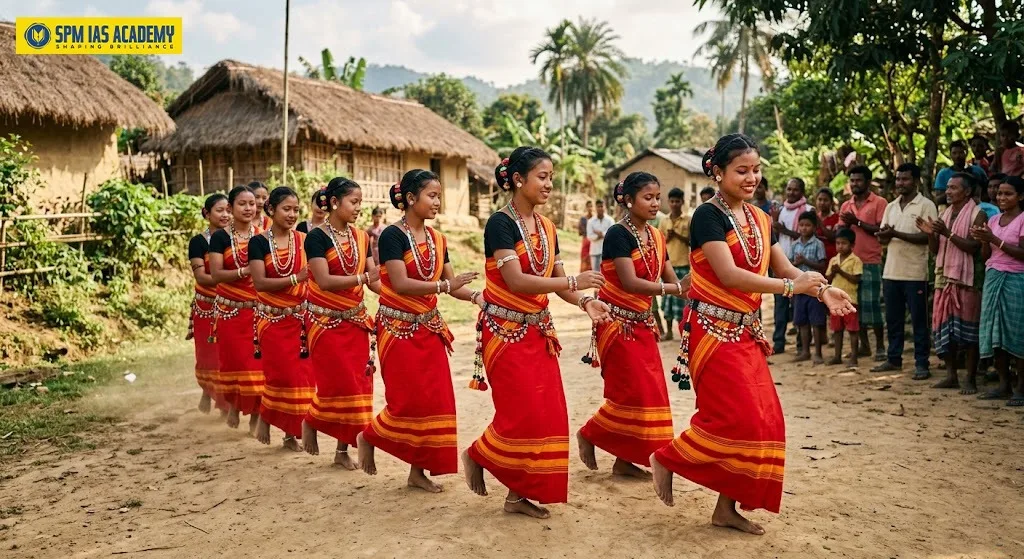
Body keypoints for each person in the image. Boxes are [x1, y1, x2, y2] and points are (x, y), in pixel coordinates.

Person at [649, 134, 854, 535]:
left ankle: (725, 509)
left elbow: (786, 268)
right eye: (742, 171)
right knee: (735, 417)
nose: (751, 178)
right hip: (711, 331)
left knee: (765, 420)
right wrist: (792, 289)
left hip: (745, 333)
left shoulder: (761, 217)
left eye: (756, 170)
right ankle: (668, 458)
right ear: (718, 172)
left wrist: (823, 288)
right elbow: (729, 274)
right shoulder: (707, 216)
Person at [463, 147, 610, 519]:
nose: (549, 184)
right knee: (521, 413)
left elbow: (557, 284)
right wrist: (573, 279)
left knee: (545, 413)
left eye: (550, 177)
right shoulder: (500, 223)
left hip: (538, 333)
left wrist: (583, 301)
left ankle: (516, 494)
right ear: (518, 180)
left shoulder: (546, 227)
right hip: (505, 333)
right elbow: (515, 280)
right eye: (542, 177)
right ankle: (480, 453)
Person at [356, 170, 480, 492]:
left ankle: (417, 473)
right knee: (407, 401)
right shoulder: (391, 236)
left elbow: (453, 286)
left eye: (439, 196)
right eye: (432, 196)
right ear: (411, 199)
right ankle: (369, 437)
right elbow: (398, 283)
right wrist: (443, 284)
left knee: (433, 401)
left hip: (429, 329)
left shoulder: (439, 239)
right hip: (397, 330)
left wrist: (479, 297)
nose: (438, 202)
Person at [577, 172, 682, 478]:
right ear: (628, 200)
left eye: (657, 197)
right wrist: (675, 290)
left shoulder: (656, 235)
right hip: (615, 323)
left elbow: (667, 272)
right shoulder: (617, 234)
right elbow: (629, 282)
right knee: (628, 392)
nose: (654, 203)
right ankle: (590, 433)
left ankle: (625, 461)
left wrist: (685, 291)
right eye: (648, 198)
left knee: (649, 393)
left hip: (643, 324)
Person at [301, 178, 380, 468]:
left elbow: (374, 280)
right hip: (325, 323)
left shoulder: (361, 236)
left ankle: (341, 450)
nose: (359, 208)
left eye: (360, 202)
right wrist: (362, 278)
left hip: (356, 321)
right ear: (334, 203)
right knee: (339, 385)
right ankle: (312, 420)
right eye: (354, 202)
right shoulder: (316, 237)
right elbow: (322, 279)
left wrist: (401, 296)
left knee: (359, 385)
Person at [248, 186, 314, 450]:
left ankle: (290, 433)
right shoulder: (259, 243)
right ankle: (268, 414)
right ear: (271, 209)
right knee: (281, 376)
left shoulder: (305, 239)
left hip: (301, 321)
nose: (292, 214)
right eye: (286, 209)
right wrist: (295, 278)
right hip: (272, 320)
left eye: (296, 210)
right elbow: (260, 283)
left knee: (303, 378)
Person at [916, 173, 986, 393]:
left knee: (969, 330)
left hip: (966, 279)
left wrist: (947, 232)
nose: (947, 191)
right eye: (947, 188)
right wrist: (931, 235)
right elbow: (936, 249)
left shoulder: (978, 213)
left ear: (967, 192)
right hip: (944, 277)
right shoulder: (945, 213)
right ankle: (951, 375)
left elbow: (974, 247)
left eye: (953, 188)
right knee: (944, 327)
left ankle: (971, 379)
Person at [872, 163, 938, 380]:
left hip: (915, 273)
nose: (901, 183)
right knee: (893, 319)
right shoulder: (891, 206)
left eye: (905, 179)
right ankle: (894, 359)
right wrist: (884, 235)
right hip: (891, 271)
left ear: (916, 181)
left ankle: (922, 363)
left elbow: (927, 238)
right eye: (898, 179)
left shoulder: (926, 205)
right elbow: (884, 235)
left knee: (919, 320)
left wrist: (895, 233)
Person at [208, 186, 264, 433]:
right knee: (234, 364)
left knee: (256, 366)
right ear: (230, 208)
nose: (249, 208)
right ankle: (233, 405)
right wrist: (245, 272)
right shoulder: (220, 238)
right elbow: (217, 274)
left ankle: (254, 415)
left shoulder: (263, 236)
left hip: (257, 312)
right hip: (230, 312)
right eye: (243, 204)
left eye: (252, 203)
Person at [971, 176, 1024, 406]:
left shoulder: (1023, 220)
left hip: (1017, 279)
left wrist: (994, 239)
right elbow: (986, 256)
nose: (1001, 197)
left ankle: (1021, 388)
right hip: (993, 278)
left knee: (1017, 333)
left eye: (1008, 193)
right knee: (994, 334)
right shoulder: (993, 220)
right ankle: (1004, 384)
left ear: (1020, 196)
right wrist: (984, 240)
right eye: (1000, 193)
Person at [186, 193, 231, 414]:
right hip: (207, 307)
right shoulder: (198, 242)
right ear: (207, 214)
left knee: (228, 356)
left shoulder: (238, 239)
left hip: (234, 307)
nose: (225, 215)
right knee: (208, 357)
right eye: (219, 210)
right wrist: (235, 278)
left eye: (228, 210)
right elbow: (202, 277)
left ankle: (225, 404)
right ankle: (207, 391)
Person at [839, 165, 888, 361]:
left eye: (858, 180)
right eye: (852, 181)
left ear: (868, 182)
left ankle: (881, 347)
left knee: (872, 306)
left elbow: (881, 230)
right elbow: (841, 233)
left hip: (870, 261)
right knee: (853, 306)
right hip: (849, 262)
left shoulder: (879, 202)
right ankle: (864, 346)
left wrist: (857, 222)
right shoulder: (846, 205)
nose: (854, 184)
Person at [770, 177, 814, 354]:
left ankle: (800, 345)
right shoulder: (780, 211)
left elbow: (808, 235)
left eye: (795, 190)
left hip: (799, 266)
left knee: (799, 306)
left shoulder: (809, 210)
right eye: (789, 189)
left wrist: (783, 230)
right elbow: (774, 236)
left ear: (802, 192)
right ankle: (778, 343)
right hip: (781, 262)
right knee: (779, 305)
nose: (791, 193)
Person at [789, 211, 829, 364]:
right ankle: (805, 351)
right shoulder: (795, 244)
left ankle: (817, 353)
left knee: (816, 321)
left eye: (808, 225)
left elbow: (822, 264)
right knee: (802, 321)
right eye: (802, 225)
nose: (804, 228)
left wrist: (805, 261)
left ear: (814, 227)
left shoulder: (818, 244)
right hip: (799, 288)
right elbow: (789, 265)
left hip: (814, 288)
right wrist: (797, 264)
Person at [825, 228, 862, 366]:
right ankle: (837, 356)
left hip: (850, 300)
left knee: (852, 329)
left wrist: (840, 271)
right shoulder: (834, 260)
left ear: (851, 245)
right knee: (837, 329)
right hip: (835, 301)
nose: (840, 246)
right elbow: (827, 278)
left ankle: (854, 357)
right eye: (838, 243)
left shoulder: (856, 260)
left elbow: (856, 279)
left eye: (844, 243)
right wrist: (834, 272)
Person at [658, 188, 690, 340]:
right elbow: (659, 243)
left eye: (678, 201)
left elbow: (692, 241)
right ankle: (669, 332)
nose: (675, 204)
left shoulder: (688, 220)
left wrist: (677, 235)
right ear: (669, 202)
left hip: (684, 264)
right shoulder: (664, 221)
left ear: (682, 202)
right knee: (667, 300)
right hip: (668, 265)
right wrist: (668, 238)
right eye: (672, 201)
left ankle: (683, 332)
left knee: (681, 301)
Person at [587, 200, 614, 272]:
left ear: (605, 207)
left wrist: (601, 234)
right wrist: (599, 236)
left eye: (602, 206)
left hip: (607, 252)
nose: (600, 208)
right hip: (595, 251)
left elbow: (612, 235)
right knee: (596, 274)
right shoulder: (591, 221)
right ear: (595, 208)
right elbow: (589, 236)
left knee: (607, 273)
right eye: (598, 207)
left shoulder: (610, 220)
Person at [816, 188, 840, 262]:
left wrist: (819, 222)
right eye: (820, 199)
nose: (822, 203)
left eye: (825, 200)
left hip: (831, 257)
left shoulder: (837, 218)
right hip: (816, 258)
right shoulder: (814, 217)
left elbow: (833, 238)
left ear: (831, 202)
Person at [579, 200, 593, 272]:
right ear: (586, 208)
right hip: (585, 241)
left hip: (594, 242)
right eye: (588, 206)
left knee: (592, 261)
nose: (590, 208)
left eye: (591, 206)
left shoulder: (595, 219)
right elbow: (580, 231)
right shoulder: (583, 219)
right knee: (584, 259)